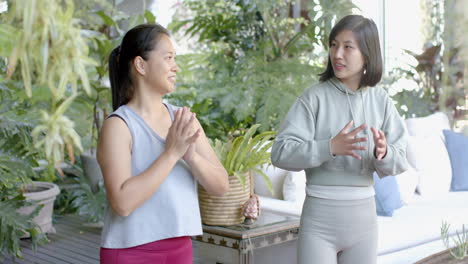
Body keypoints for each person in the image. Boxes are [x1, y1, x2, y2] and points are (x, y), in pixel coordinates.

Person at [271, 15, 408, 264]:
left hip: (364, 221)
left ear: (367, 54)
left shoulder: (382, 101)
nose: (337, 54)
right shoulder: (313, 98)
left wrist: (384, 153)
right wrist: (329, 147)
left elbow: (401, 160)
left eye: (347, 46)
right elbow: (280, 152)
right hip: (319, 221)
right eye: (334, 45)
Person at [97, 23, 229, 264]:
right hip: (130, 253)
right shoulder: (118, 126)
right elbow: (122, 203)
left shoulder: (183, 120)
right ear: (140, 65)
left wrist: (191, 156)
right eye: (168, 58)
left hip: (180, 250)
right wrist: (171, 153)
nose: (175, 67)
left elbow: (221, 186)